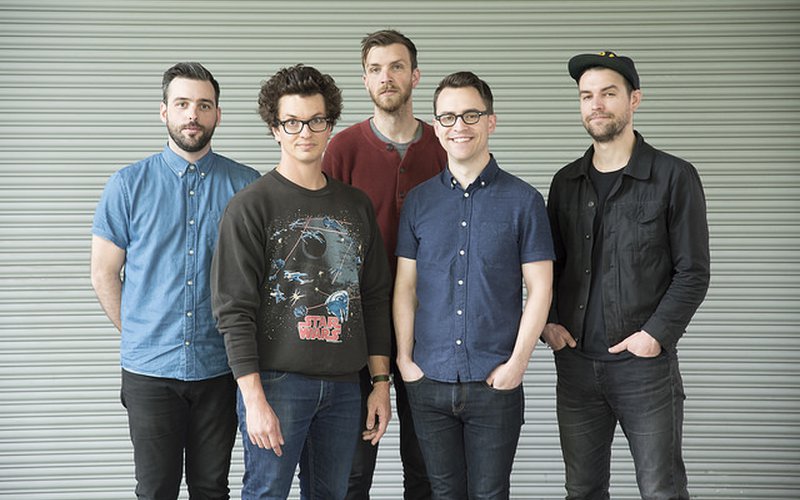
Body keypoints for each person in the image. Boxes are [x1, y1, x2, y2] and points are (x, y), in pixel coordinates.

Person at [211, 64, 393, 500]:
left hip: (345, 385)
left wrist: (380, 383)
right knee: (266, 493)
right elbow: (233, 310)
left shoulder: (356, 205)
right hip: (277, 384)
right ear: (275, 129)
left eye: (316, 121)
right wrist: (253, 399)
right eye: (292, 122)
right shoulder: (250, 206)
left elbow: (373, 299)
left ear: (330, 125)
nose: (305, 132)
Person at [543, 51, 710, 499]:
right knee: (582, 489)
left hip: (645, 369)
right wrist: (549, 323)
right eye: (586, 96)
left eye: (608, 94)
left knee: (661, 490)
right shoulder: (565, 182)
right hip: (576, 366)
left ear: (634, 99)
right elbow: (548, 266)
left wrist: (654, 336)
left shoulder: (673, 176)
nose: (596, 105)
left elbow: (693, 271)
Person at [90, 62, 261, 499]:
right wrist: (140, 333)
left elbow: (259, 278)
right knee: (155, 490)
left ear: (218, 114)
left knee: (211, 488)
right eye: (182, 104)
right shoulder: (127, 185)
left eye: (204, 105)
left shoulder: (246, 186)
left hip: (220, 369)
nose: (192, 115)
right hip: (150, 372)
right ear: (163, 111)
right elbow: (104, 273)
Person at [393, 71, 555, 499]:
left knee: (490, 494)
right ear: (436, 128)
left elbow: (541, 289)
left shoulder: (524, 201)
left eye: (470, 115)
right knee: (442, 493)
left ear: (491, 121)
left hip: (494, 382)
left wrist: (517, 364)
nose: (458, 126)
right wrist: (405, 360)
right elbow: (405, 287)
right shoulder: (419, 202)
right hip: (429, 380)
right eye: (447, 117)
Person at [322, 29, 446, 500]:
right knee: (352, 470)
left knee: (427, 467)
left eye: (396, 66)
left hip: (431, 326)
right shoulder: (343, 149)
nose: (386, 77)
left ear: (415, 75)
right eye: (375, 69)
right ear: (365, 80)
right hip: (357, 326)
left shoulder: (444, 144)